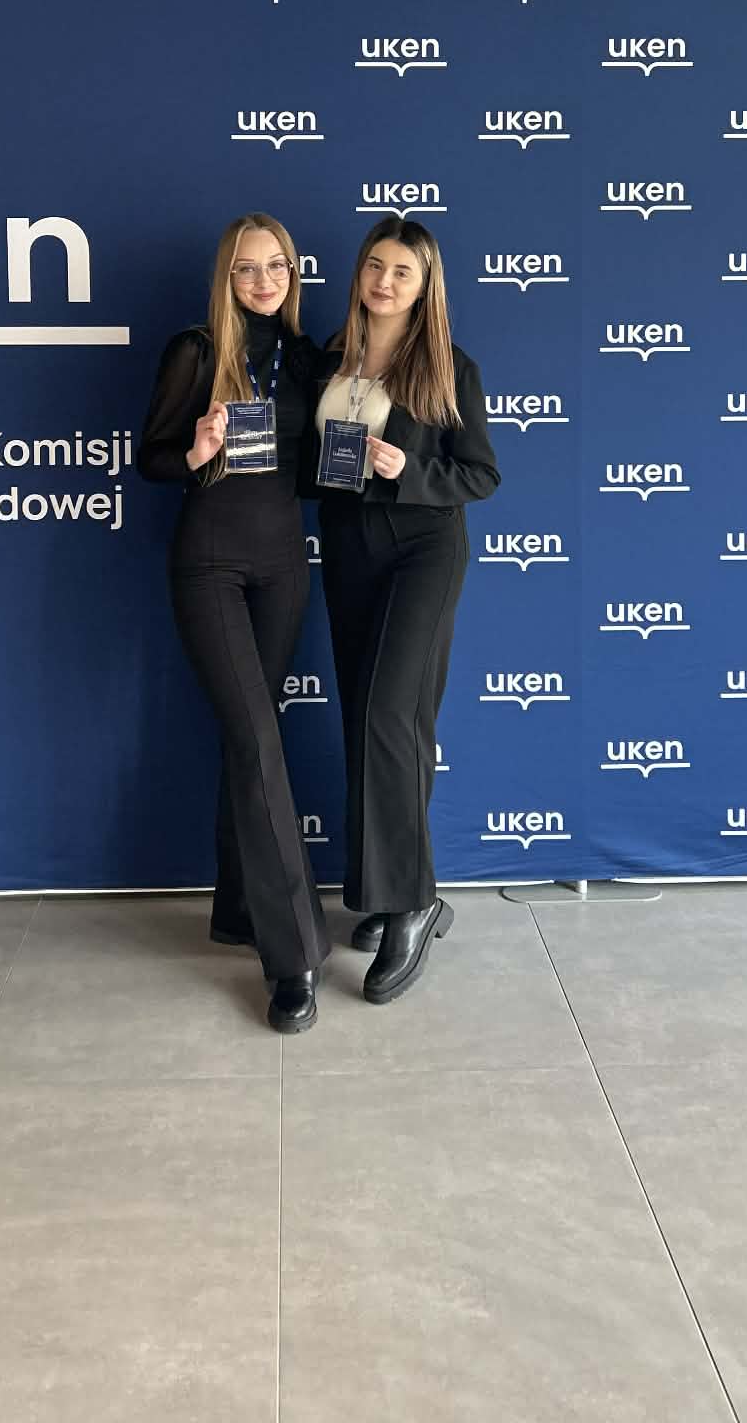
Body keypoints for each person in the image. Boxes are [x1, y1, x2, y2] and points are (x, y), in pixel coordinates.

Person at [138, 213, 328, 1033]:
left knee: (252, 738)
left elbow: (319, 465)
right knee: (256, 742)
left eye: (276, 265)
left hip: (284, 567)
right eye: (247, 268)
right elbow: (149, 457)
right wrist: (196, 449)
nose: (263, 281)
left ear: (293, 272)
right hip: (209, 563)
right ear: (226, 276)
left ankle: (237, 909)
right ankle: (294, 956)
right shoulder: (194, 350)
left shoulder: (310, 359)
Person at [310, 217, 500, 1004]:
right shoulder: (330, 358)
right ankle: (390, 892)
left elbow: (480, 475)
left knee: (390, 714)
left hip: (423, 549)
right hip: (348, 550)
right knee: (372, 722)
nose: (384, 282)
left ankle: (414, 902)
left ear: (425, 289)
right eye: (374, 266)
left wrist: (407, 467)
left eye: (402, 273)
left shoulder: (449, 365)